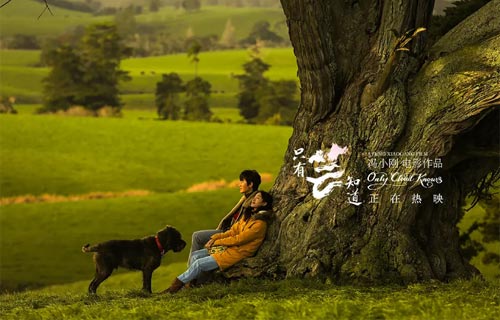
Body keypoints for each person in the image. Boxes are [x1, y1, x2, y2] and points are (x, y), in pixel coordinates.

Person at [161, 190, 273, 294]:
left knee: (199, 264)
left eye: (258, 198)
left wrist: (217, 242)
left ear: (264, 204)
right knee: (195, 255)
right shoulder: (248, 217)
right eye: (254, 197)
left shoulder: (259, 224)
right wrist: (214, 238)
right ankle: (192, 285)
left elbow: (239, 240)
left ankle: (174, 288)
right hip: (230, 248)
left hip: (238, 252)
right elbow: (232, 231)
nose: (253, 199)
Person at [187, 170, 262, 265]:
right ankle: (192, 269)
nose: (239, 184)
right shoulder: (245, 198)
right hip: (227, 230)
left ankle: (191, 270)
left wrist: (221, 237)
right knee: (197, 237)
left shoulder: (253, 201)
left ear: (250, 184)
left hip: (231, 234)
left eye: (242, 181)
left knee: (197, 237)